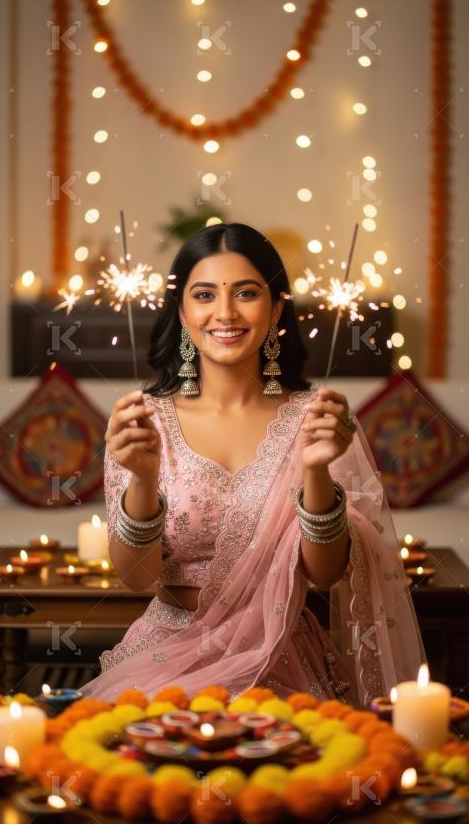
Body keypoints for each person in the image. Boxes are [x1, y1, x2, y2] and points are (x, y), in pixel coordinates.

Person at [81, 222, 426, 705]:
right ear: (181, 311)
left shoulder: (316, 418)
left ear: (277, 307)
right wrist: (142, 476)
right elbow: (135, 576)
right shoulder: (144, 420)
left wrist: (315, 472)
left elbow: (325, 575)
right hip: (166, 660)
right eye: (204, 295)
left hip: (280, 655)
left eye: (246, 293)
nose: (225, 313)